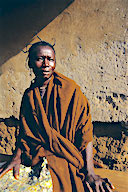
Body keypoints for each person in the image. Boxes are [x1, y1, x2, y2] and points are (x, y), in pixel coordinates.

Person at [0, 41, 114, 191]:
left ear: (55, 62)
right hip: (36, 156)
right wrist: (15, 159)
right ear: (30, 63)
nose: (46, 64)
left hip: (65, 157)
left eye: (50, 59)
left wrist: (90, 172)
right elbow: (25, 134)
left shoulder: (70, 90)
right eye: (40, 59)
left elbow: (85, 132)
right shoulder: (29, 96)